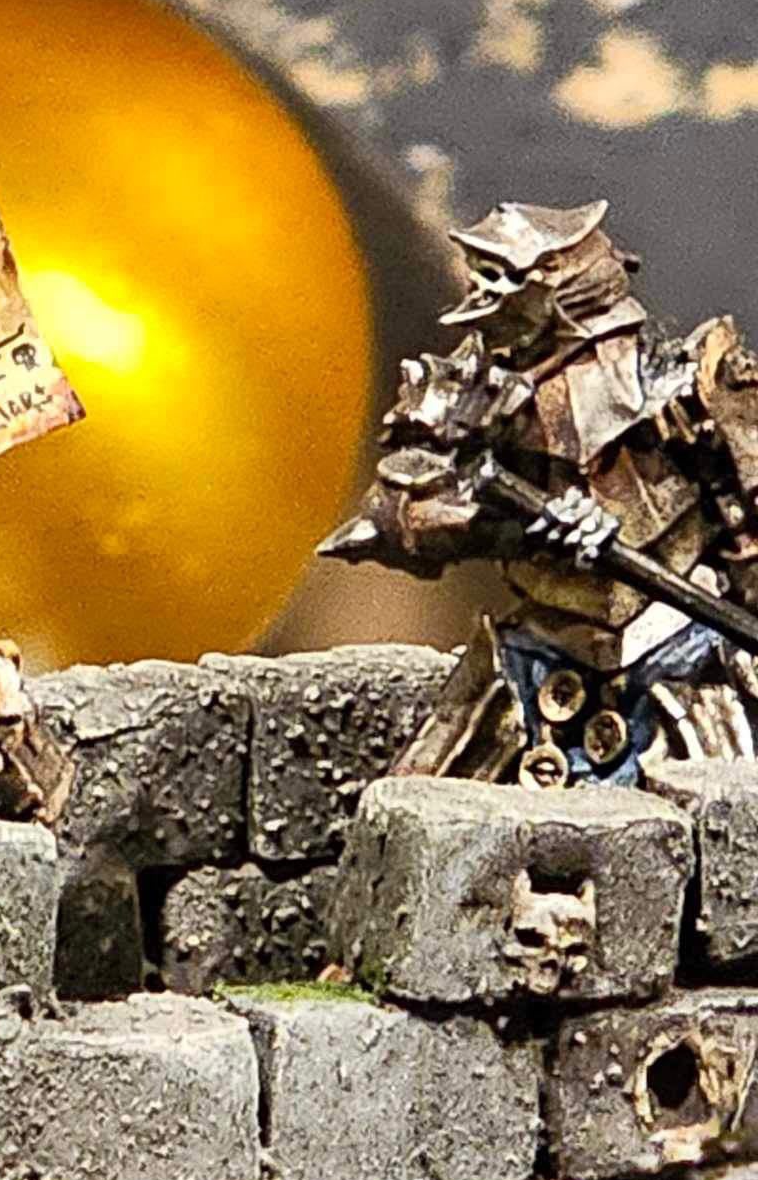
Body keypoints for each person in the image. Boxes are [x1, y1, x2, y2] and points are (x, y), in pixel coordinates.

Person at [321, 200, 758, 785]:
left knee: (727, 814)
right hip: (536, 655)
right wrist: (516, 530)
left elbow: (747, 521)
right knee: (427, 807)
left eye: (501, 277)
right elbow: (389, 517)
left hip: (684, 652)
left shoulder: (686, 387)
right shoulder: (471, 391)